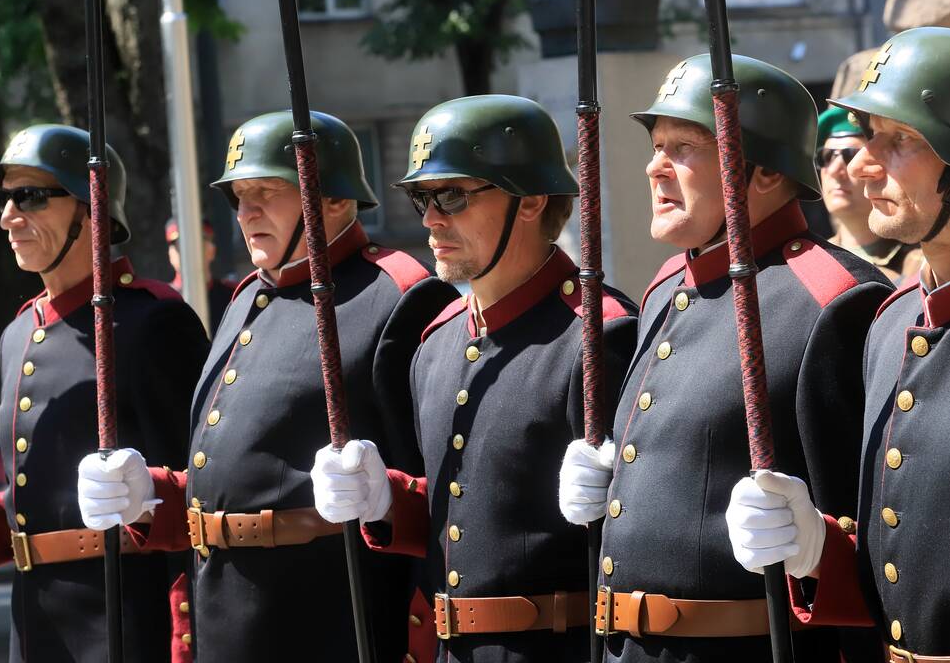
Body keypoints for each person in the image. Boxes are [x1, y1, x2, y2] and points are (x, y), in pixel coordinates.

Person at [75, 110, 458, 661]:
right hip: (224, 622)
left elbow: (439, 504)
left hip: (331, 627)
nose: (245, 211)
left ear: (334, 199)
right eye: (238, 196)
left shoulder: (397, 294)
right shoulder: (247, 299)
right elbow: (229, 487)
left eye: (267, 191)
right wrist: (149, 494)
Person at [558, 55, 894, 661]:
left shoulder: (836, 301)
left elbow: (883, 535)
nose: (654, 167)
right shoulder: (666, 285)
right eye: (655, 145)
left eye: (682, 146)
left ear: (762, 171)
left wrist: (818, 546)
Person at [310, 94, 639, 662]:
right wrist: (386, 500)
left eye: (453, 196)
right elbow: (459, 516)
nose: (432, 219)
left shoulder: (598, 335)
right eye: (422, 199)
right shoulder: (434, 345)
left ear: (531, 200)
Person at [0, 124, 210, 662]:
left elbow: (199, 503)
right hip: (35, 629)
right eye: (5, 197)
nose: (8, 217)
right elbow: (34, 517)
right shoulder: (19, 333)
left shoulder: (153, 322)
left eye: (31, 196)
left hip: (128, 627)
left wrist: (185, 643)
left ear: (93, 209)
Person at [724, 26, 950, 663]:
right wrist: (818, 549)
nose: (864, 162)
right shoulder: (891, 321)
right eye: (866, 135)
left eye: (899, 139)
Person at [818, 106, 921, 282]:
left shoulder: (922, 264)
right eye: (827, 156)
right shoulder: (812, 261)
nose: (835, 170)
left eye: (851, 155)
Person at [165, 217, 237, 325]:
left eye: (196, 243)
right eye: (179, 245)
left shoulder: (234, 296)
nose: (187, 250)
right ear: (170, 254)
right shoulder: (161, 299)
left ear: (212, 250)